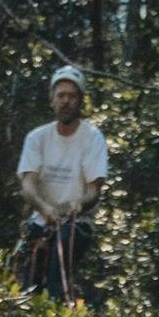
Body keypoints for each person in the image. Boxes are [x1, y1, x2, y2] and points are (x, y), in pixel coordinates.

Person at [15, 64, 108, 298]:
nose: (66, 101)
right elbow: (28, 184)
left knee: (59, 269)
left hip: (76, 223)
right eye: (61, 96)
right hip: (41, 221)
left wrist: (77, 205)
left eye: (72, 96)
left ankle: (60, 306)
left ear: (81, 101)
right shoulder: (37, 138)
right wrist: (44, 209)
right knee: (28, 283)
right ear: (52, 100)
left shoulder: (92, 138)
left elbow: (94, 189)